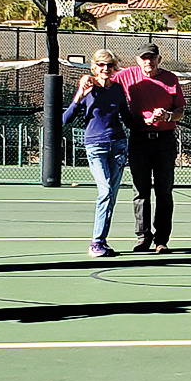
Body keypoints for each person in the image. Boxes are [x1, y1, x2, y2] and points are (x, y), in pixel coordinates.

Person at [114, 43, 186, 253]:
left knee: (164, 192)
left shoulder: (171, 79)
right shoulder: (126, 76)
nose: (148, 61)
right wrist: (87, 81)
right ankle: (143, 238)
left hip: (165, 140)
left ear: (158, 60)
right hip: (139, 140)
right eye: (144, 58)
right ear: (138, 60)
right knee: (140, 192)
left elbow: (180, 110)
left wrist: (168, 116)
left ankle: (161, 240)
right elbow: (104, 79)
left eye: (152, 58)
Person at [61, 49, 132, 257]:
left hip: (118, 146)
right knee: (105, 190)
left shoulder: (118, 90)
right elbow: (66, 119)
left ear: (114, 68)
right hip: (96, 146)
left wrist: (152, 119)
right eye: (101, 65)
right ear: (94, 67)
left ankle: (102, 241)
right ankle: (96, 242)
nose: (105, 69)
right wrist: (79, 96)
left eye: (109, 65)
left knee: (111, 195)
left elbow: (128, 119)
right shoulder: (87, 88)